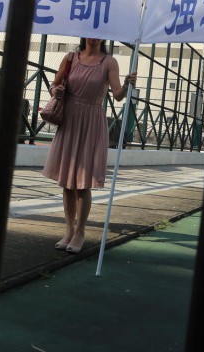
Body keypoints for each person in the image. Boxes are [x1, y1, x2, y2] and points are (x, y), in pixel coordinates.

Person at [42, 38, 136, 254]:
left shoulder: (109, 62)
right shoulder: (71, 57)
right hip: (70, 120)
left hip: (92, 120)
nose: (94, 36)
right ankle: (68, 229)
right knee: (66, 182)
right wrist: (55, 91)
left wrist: (128, 84)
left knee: (83, 183)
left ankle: (80, 232)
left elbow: (117, 95)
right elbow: (55, 85)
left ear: (104, 36)